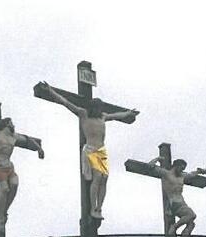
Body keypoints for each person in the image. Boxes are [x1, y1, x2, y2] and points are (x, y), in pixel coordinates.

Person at [36, 82, 138, 222]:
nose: (99, 109)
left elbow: (116, 115)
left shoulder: (102, 117)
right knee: (97, 177)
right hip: (91, 149)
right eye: (97, 107)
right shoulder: (84, 114)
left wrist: (128, 113)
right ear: (92, 107)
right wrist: (51, 91)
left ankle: (99, 208)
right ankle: (92, 208)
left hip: (101, 151)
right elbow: (65, 102)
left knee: (104, 178)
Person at [145, 155, 206, 237]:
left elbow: (191, 175)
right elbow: (149, 166)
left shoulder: (182, 176)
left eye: (183, 168)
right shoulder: (166, 174)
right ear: (176, 166)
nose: (182, 170)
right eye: (181, 168)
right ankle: (174, 226)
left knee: (191, 224)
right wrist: (158, 159)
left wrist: (199, 171)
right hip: (173, 203)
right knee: (192, 215)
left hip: (182, 203)